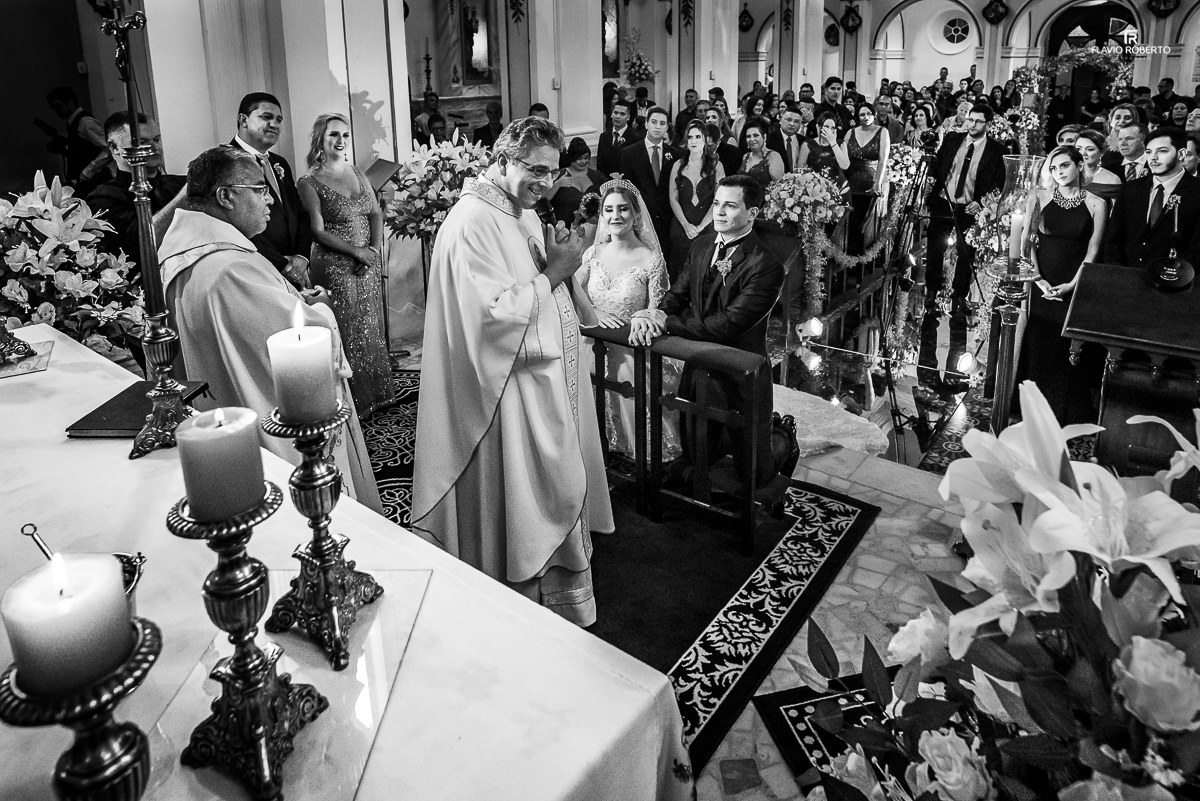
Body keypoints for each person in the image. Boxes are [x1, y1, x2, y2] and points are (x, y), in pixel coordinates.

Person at [412, 117, 613, 626]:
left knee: (557, 484)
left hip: (538, 385)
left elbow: (532, 283)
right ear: (502, 160)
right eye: (536, 170)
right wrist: (557, 271)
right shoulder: (471, 222)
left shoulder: (517, 209)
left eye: (553, 172)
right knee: (526, 498)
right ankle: (524, 592)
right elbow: (492, 321)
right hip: (504, 394)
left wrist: (555, 268)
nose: (547, 183)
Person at [158, 145, 381, 511]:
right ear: (226, 196)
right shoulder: (229, 268)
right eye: (260, 190)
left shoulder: (190, 252)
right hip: (267, 429)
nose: (270, 202)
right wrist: (319, 306)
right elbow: (300, 335)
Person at [628, 175, 796, 494]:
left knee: (753, 473)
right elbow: (677, 295)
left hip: (741, 374)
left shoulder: (767, 266)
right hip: (701, 366)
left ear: (752, 214)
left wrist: (666, 324)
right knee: (696, 456)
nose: (719, 211)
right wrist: (657, 313)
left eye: (730, 205)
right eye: (717, 203)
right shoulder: (702, 245)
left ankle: (783, 436)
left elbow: (726, 326)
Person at [295, 113, 394, 417]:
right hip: (335, 264)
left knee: (370, 325)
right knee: (348, 328)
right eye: (332, 136)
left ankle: (379, 393)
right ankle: (353, 401)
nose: (340, 141)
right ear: (320, 142)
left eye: (345, 135)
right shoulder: (308, 181)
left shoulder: (358, 172)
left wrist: (373, 251)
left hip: (367, 261)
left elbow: (375, 212)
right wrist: (357, 253)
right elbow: (318, 230)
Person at [579, 180, 681, 460]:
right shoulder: (592, 253)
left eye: (623, 209)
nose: (615, 216)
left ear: (636, 214)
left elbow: (656, 311)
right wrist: (594, 313)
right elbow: (570, 293)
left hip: (630, 348)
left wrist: (643, 320)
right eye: (609, 210)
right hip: (590, 342)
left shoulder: (651, 260)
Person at [1013, 146, 1107, 422]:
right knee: (1040, 343)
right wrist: (1037, 279)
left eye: (1064, 166)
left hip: (1076, 283)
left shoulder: (1097, 203)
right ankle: (1031, 411)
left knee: (1068, 347)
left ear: (1079, 165)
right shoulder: (1039, 197)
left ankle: (1064, 412)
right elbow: (1027, 243)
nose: (1059, 172)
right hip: (1041, 281)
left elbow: (1094, 250)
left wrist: (1073, 284)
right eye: (1053, 168)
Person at [920, 104, 1004, 390]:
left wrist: (981, 203)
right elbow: (941, 164)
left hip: (970, 208)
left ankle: (958, 296)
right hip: (943, 202)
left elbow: (997, 181)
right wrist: (932, 187)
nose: (973, 124)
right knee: (934, 249)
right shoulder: (954, 139)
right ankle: (931, 292)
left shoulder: (995, 149)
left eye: (979, 121)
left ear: (988, 124)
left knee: (966, 254)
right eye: (970, 119)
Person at [87, 112, 187, 277]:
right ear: (114, 147)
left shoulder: (179, 184)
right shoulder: (103, 199)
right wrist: (185, 198)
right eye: (142, 142)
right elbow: (142, 241)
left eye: (156, 140)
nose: (155, 148)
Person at [231, 92, 313, 290]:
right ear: (243, 121)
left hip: (293, 270)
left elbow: (299, 214)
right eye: (266, 117)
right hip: (257, 268)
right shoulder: (227, 162)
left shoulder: (279, 163)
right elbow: (238, 224)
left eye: (278, 119)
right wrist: (282, 263)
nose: (275, 124)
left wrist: (301, 258)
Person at [1105, 126, 1200, 270]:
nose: (1153, 158)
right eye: (1149, 152)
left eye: (1162, 151)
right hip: (1127, 276)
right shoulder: (1131, 188)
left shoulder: (1196, 191)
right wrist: (1118, 271)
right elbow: (1114, 238)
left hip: (1177, 279)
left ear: (1181, 154)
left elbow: (1196, 249)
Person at [618, 107, 681, 261]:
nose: (658, 127)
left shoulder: (675, 154)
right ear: (646, 124)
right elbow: (625, 190)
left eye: (662, 123)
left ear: (667, 127)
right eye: (654, 122)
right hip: (641, 219)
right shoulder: (629, 153)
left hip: (667, 219)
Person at [668, 120, 724, 280]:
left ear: (705, 140)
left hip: (707, 226)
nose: (693, 141)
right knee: (680, 271)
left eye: (698, 137)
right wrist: (686, 225)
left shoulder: (716, 166)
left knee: (704, 271)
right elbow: (673, 198)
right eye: (690, 137)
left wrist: (700, 227)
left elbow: (718, 200)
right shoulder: (677, 166)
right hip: (681, 226)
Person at [45, 86, 112, 198]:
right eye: (53, 108)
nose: (56, 111)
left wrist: (88, 171)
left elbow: (109, 148)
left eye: (58, 106)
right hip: (85, 182)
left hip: (95, 182)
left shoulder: (86, 123)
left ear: (70, 102)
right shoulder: (73, 123)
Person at [845, 102, 891, 254]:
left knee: (863, 221)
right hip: (851, 179)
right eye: (862, 115)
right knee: (849, 220)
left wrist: (877, 183)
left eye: (868, 114)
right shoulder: (851, 132)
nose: (865, 117)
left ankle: (862, 255)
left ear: (874, 115)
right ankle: (847, 254)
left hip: (871, 180)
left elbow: (883, 159)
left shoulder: (882, 131)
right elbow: (843, 157)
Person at [545, 137, 604, 225]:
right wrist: (557, 185)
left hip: (593, 229)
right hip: (565, 228)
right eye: (579, 159)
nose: (584, 161)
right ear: (572, 158)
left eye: (586, 158)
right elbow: (543, 199)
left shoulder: (596, 176)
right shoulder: (559, 175)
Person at [798, 113, 851, 198]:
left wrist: (833, 142)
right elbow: (799, 171)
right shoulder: (808, 144)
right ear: (818, 127)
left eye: (833, 128)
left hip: (839, 189)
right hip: (816, 190)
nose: (830, 130)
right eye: (826, 126)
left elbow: (845, 165)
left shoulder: (841, 144)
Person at [1074, 129, 1122, 206]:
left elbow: (1115, 214)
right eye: (1078, 149)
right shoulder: (1066, 174)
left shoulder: (1112, 180)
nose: (1083, 153)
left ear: (1102, 152)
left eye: (1090, 149)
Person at [597, 100, 640, 177]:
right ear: (611, 114)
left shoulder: (635, 138)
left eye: (622, 114)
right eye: (615, 113)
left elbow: (636, 167)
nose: (618, 116)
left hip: (625, 182)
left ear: (628, 117)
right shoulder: (604, 136)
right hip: (606, 183)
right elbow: (600, 165)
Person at [738, 118, 785, 188]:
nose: (751, 139)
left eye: (756, 135)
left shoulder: (773, 156)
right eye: (748, 136)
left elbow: (779, 186)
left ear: (764, 137)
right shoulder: (746, 156)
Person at [767, 105, 806, 173]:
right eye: (788, 120)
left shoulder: (804, 142)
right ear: (781, 120)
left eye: (796, 121)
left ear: (800, 124)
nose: (792, 124)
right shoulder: (769, 139)